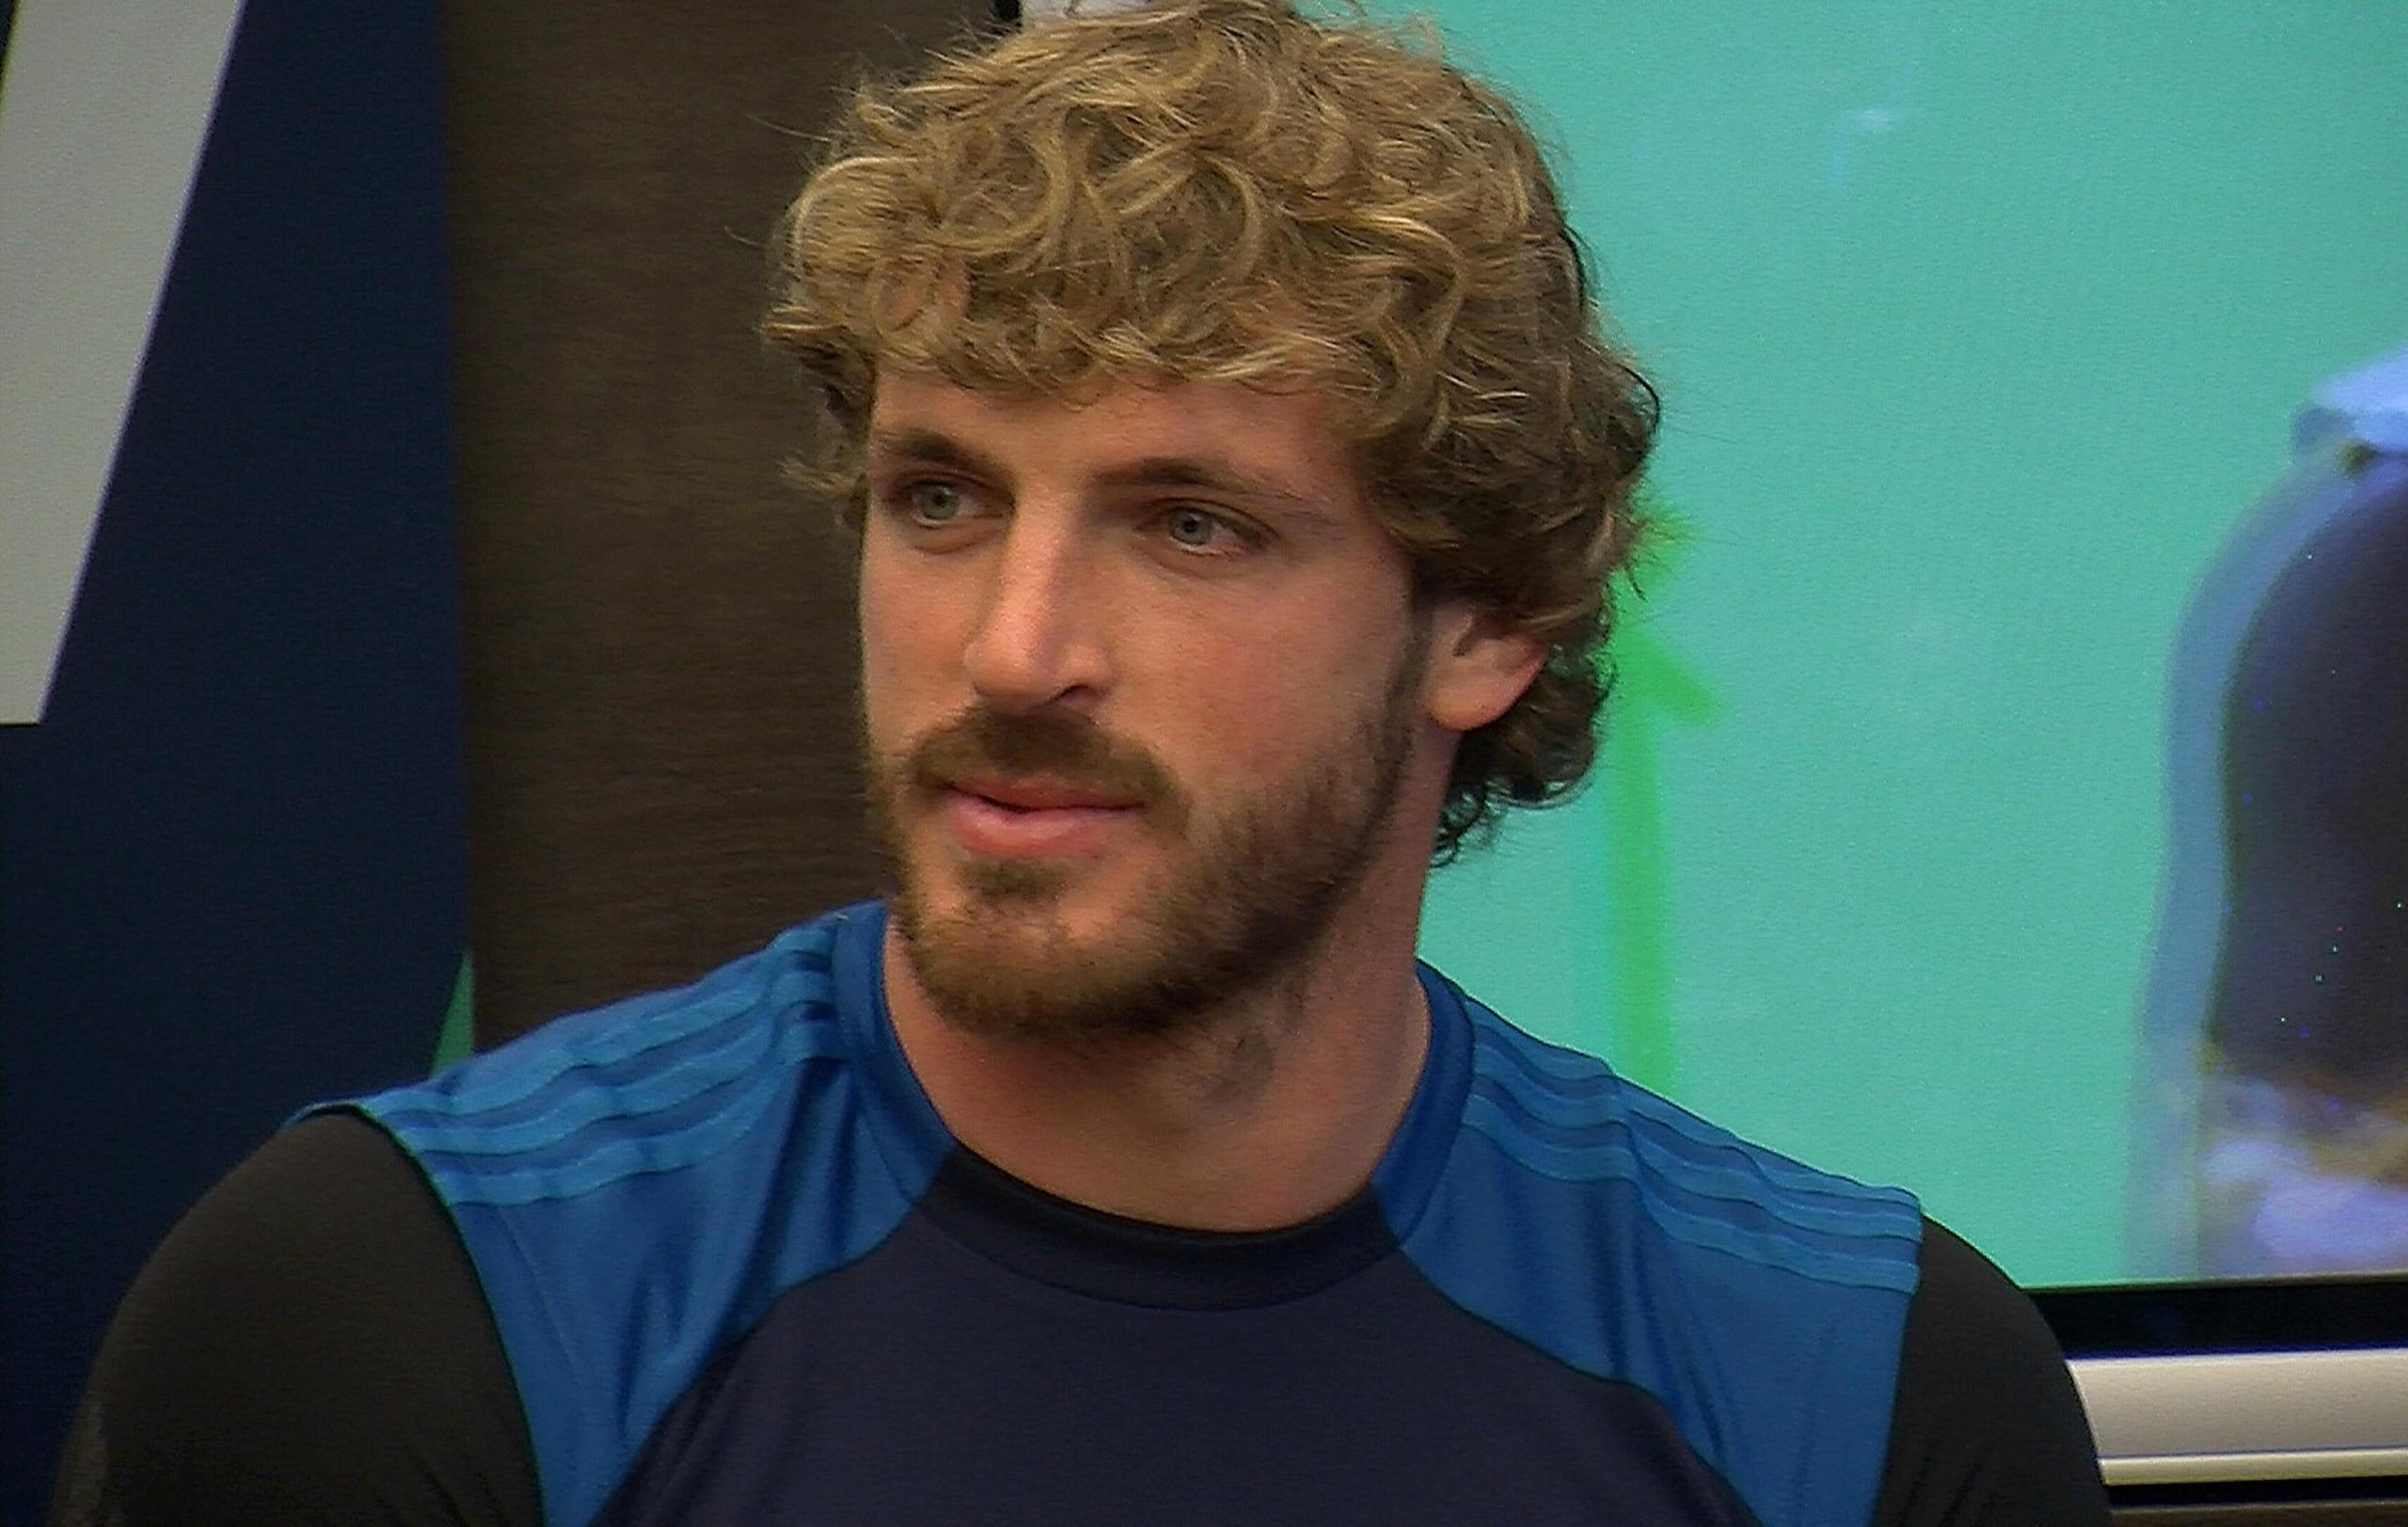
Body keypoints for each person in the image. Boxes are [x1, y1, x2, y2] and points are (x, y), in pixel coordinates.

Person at [54, 2, 2108, 1522]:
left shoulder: (1853, 1394)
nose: (1014, 649)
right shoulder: (416, 1308)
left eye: (1188, 524)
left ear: (1483, 622)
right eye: (941, 499)